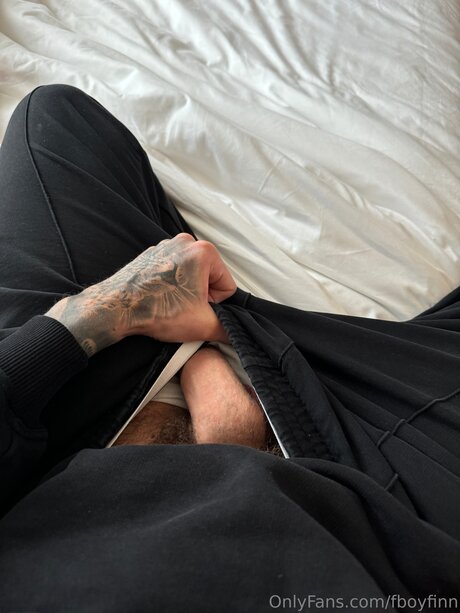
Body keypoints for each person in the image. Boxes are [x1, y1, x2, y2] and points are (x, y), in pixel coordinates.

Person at [0, 85, 459, 612]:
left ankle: (197, 329)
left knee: (54, 120)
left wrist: (107, 309)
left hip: (67, 438)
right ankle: (216, 332)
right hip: (374, 509)